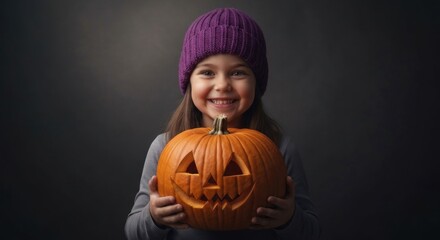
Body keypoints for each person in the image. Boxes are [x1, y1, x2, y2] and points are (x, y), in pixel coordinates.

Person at [125, 7, 320, 240]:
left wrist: (288, 219)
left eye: (238, 73)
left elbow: (312, 233)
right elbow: (133, 233)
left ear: (256, 82)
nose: (222, 85)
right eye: (207, 73)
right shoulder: (164, 146)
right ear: (189, 82)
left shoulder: (279, 147)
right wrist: (154, 217)